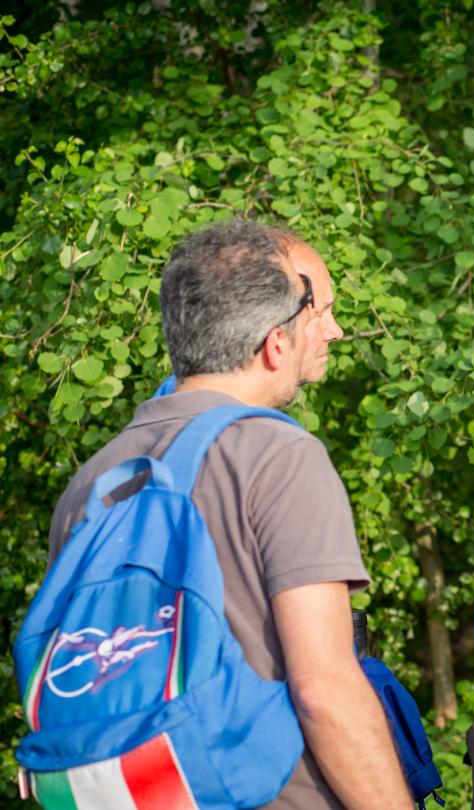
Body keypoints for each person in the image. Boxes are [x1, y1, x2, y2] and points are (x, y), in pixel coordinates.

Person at [48, 220, 412, 809]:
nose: (334, 331)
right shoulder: (279, 457)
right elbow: (325, 690)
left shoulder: (95, 480)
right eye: (319, 314)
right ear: (275, 342)